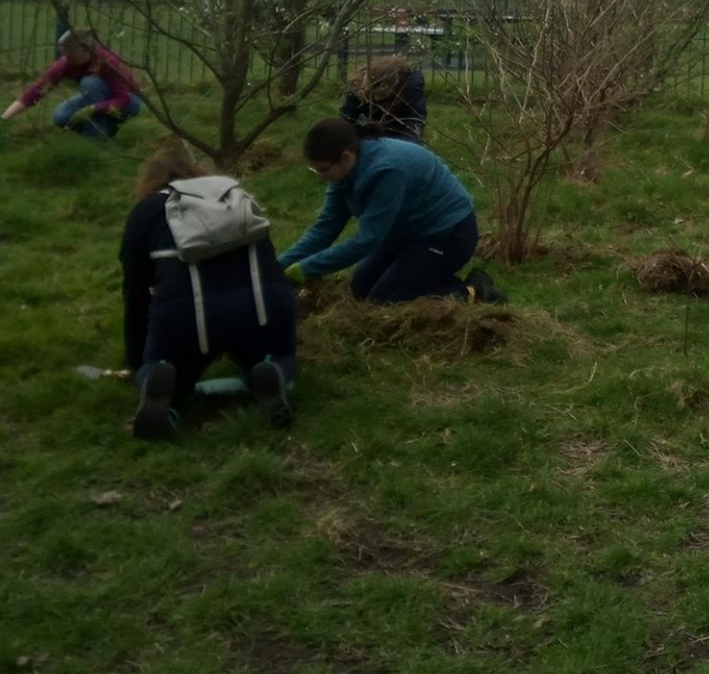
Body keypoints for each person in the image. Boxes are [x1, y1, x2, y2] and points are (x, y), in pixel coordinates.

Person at [121, 149, 297, 440]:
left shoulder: (147, 211)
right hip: (264, 299)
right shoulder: (233, 193)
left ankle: (162, 388)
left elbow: (136, 292)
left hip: (188, 312)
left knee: (171, 371)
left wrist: (138, 362)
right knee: (281, 355)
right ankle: (271, 372)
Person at [283, 118, 500, 304]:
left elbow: (367, 240)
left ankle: (475, 291)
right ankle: (423, 277)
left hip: (448, 235)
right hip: (406, 235)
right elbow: (324, 229)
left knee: (384, 301)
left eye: (323, 170)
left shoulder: (386, 171)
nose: (320, 177)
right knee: (358, 292)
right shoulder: (344, 174)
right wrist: (277, 267)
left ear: (346, 158)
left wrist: (306, 268)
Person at [4, 28, 143, 139]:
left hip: (128, 102)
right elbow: (36, 91)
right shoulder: (66, 63)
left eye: (71, 56)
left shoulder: (108, 61)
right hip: (97, 99)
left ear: (86, 50)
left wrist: (94, 108)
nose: (67, 60)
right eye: (64, 55)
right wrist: (5, 118)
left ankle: (95, 136)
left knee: (90, 83)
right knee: (60, 117)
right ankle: (108, 128)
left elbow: (123, 98)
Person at [340, 55, 428, 143]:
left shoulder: (411, 83)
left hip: (399, 127)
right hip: (367, 129)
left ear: (395, 86)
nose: (376, 99)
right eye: (370, 94)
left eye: (381, 95)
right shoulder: (357, 84)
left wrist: (405, 145)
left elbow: (415, 120)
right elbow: (347, 119)